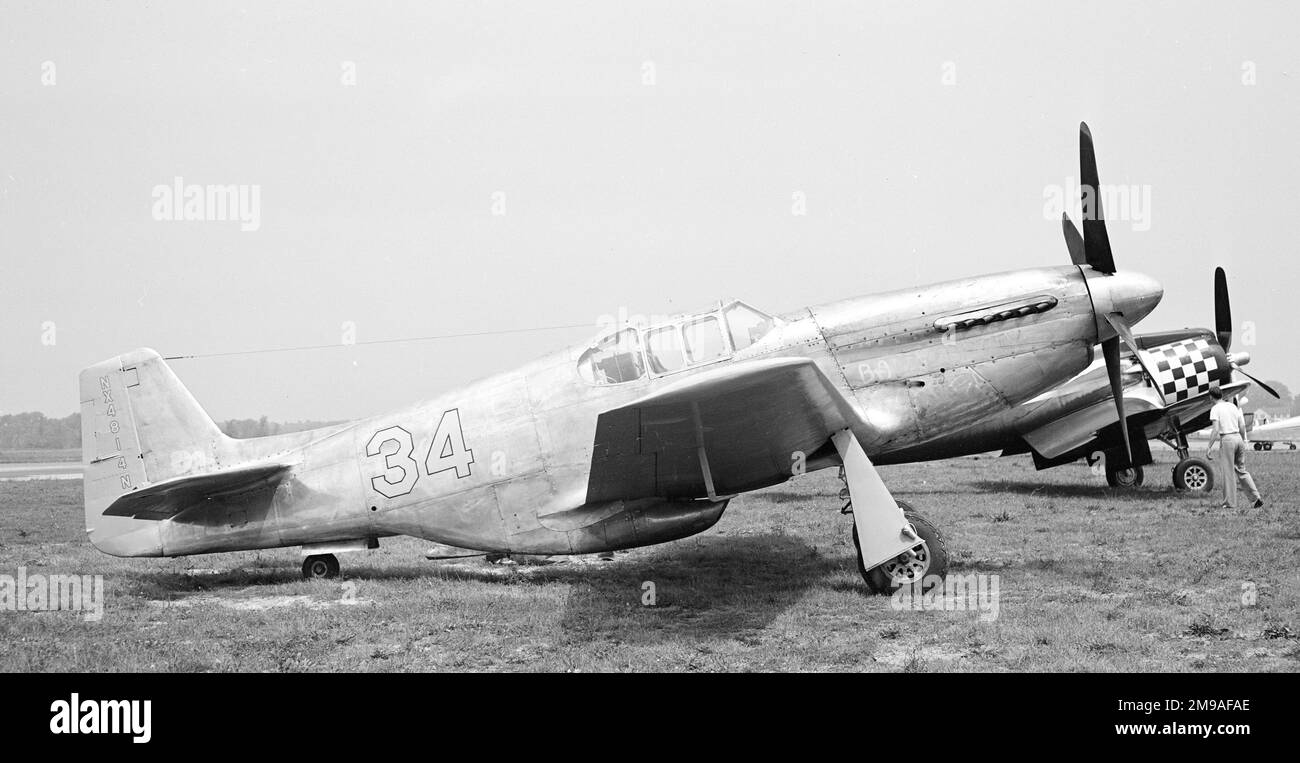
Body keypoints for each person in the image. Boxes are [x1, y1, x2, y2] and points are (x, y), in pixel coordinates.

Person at [1206, 387, 1264, 509]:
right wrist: (1243, 440)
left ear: (1211, 397)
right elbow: (1242, 425)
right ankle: (1256, 498)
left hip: (1227, 439)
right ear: (1221, 395)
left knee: (1228, 472)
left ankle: (1229, 503)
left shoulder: (1215, 409)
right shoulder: (1232, 406)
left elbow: (1216, 429)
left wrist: (1209, 447)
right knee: (1242, 470)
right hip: (1238, 437)